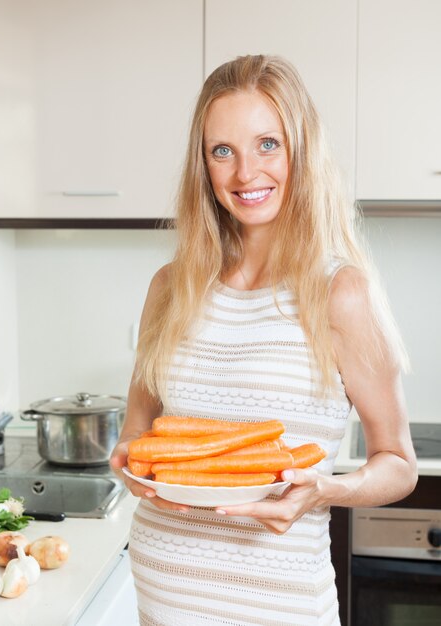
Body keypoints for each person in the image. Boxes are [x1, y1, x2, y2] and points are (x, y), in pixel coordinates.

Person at [110, 54, 417, 626]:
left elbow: (398, 463)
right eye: (221, 151)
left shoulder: (340, 293)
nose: (245, 172)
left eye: (267, 144)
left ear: (301, 148)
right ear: (203, 166)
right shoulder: (170, 287)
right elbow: (136, 430)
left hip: (277, 607)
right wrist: (129, 467)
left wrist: (323, 489)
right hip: (162, 598)